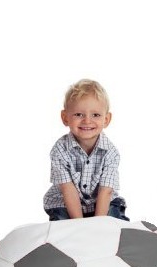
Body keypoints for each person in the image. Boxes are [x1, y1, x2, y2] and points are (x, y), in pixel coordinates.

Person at [43, 79, 130, 221]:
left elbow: (106, 191)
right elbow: (68, 190)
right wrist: (80, 225)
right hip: (66, 203)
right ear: (65, 118)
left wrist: (97, 224)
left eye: (95, 115)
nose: (87, 121)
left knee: (113, 220)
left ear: (106, 119)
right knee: (62, 224)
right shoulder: (60, 150)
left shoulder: (111, 152)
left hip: (101, 202)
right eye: (79, 114)